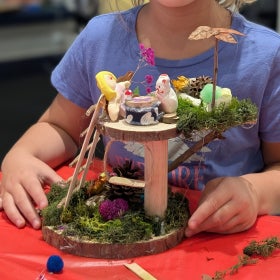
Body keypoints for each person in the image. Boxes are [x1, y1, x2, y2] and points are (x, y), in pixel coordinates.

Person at [1, 0, 280, 238]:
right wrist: (21, 156)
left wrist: (255, 193)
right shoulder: (100, 39)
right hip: (122, 235)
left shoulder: (266, 56)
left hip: (217, 248)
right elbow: (59, 126)